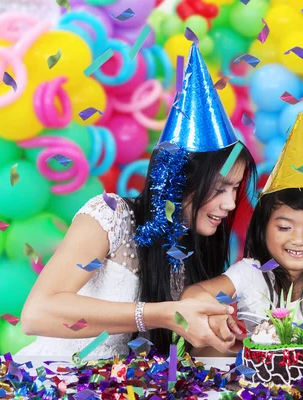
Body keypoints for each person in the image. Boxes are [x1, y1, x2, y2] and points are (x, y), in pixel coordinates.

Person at [18, 44, 257, 358]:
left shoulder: (197, 247)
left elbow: (187, 354)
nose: (229, 205)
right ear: (179, 178)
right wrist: (163, 313)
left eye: (234, 190)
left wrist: (235, 342)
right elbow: (37, 314)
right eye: (221, 188)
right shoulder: (111, 214)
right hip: (56, 380)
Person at [181, 113, 303, 356]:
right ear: (263, 228)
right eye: (284, 227)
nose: (298, 239)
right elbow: (192, 295)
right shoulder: (251, 272)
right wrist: (216, 317)